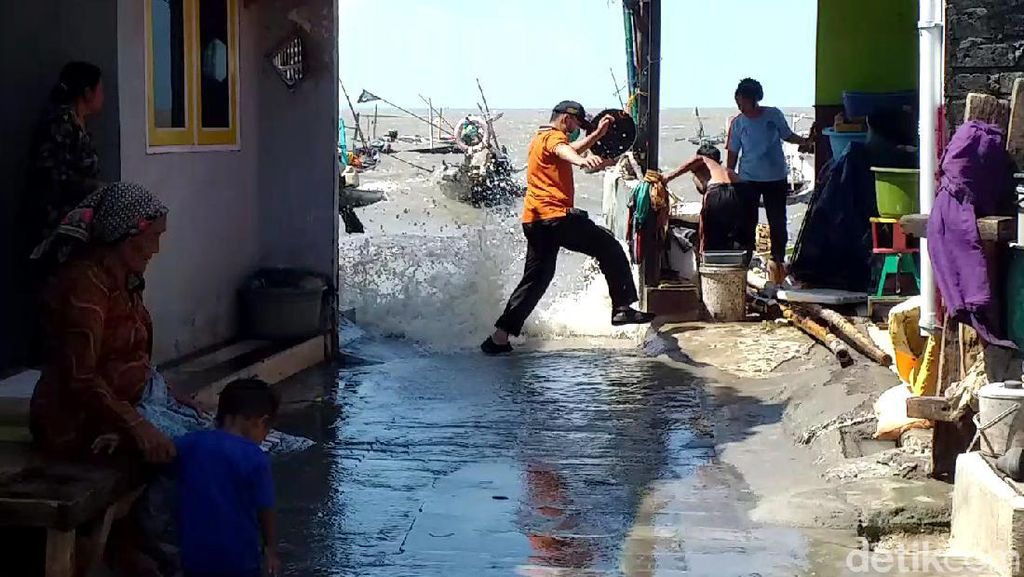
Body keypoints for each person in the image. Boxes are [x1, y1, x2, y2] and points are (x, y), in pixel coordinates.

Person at [29, 182, 196, 576]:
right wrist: (136, 424)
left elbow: (133, 356)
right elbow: (81, 378)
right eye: (152, 237)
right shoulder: (85, 288)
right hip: (73, 421)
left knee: (230, 438)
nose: (156, 249)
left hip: (120, 409)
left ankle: (134, 538)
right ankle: (120, 544)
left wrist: (168, 395)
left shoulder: (126, 283)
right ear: (126, 235)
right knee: (184, 453)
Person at [481, 101, 655, 355]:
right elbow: (567, 152)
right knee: (609, 247)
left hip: (534, 220)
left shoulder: (539, 140)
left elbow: (571, 150)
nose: (579, 131)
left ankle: (498, 338)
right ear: (566, 119)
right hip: (556, 218)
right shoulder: (552, 137)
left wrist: (600, 161)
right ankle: (622, 308)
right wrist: (590, 147)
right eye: (578, 125)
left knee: (536, 280)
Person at [175, 379, 281, 577]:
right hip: (240, 561)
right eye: (266, 431)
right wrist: (271, 550)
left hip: (194, 558)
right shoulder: (255, 457)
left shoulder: (190, 443)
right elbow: (266, 509)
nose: (264, 437)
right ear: (259, 421)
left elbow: (160, 450)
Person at [726, 78, 815, 283]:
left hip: (775, 177)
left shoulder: (773, 115)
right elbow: (732, 152)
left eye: (742, 102)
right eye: (737, 103)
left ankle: (778, 261)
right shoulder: (737, 123)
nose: (740, 106)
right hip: (748, 179)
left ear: (754, 99)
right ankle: (746, 259)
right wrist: (730, 175)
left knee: (777, 221)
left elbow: (787, 135)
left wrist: (806, 142)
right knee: (747, 222)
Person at [29, 61, 106, 249]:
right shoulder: (60, 123)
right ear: (88, 93)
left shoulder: (79, 125)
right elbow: (52, 174)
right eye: (100, 90)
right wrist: (94, 187)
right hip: (56, 226)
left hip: (78, 222)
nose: (103, 96)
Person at [663, 143, 754, 256]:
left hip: (719, 191)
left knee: (709, 239)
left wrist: (667, 177)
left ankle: (705, 259)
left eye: (693, 171)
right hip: (744, 191)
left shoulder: (706, 161)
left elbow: (699, 158)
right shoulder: (725, 171)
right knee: (740, 238)